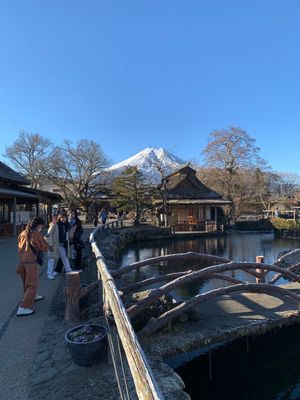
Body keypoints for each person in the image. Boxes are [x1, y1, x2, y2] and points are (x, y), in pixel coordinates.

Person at [16, 217, 49, 317]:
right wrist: (46, 240)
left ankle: (33, 296)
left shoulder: (23, 233)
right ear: (38, 225)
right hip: (31, 262)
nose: (41, 228)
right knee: (32, 284)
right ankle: (23, 307)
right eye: (41, 226)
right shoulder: (36, 234)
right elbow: (44, 247)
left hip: (22, 261)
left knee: (26, 282)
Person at [45, 214, 60, 279]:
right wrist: (50, 244)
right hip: (52, 245)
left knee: (53, 260)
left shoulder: (55, 225)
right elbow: (48, 235)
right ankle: (49, 273)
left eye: (56, 219)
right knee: (51, 260)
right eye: (54, 218)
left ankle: (50, 272)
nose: (55, 220)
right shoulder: (53, 225)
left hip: (55, 245)